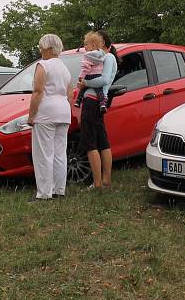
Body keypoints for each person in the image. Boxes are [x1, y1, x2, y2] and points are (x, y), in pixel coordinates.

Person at [27, 34, 73, 200]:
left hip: (46, 112)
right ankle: (59, 189)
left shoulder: (43, 65)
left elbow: (38, 91)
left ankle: (44, 193)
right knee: (60, 153)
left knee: (43, 154)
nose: (40, 51)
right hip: (63, 111)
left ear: (48, 49)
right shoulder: (65, 68)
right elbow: (70, 94)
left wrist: (31, 115)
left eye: (41, 47)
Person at [79, 30, 118, 189]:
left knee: (91, 142)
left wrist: (85, 84)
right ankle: (106, 180)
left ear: (103, 43)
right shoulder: (104, 58)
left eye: (96, 41)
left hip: (92, 101)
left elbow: (104, 79)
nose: (92, 44)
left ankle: (97, 183)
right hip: (98, 101)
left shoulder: (107, 57)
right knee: (102, 140)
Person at [73, 32, 108, 113]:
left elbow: (86, 68)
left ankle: (78, 100)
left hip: (89, 76)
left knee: (82, 88)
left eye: (86, 44)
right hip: (98, 75)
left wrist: (81, 76)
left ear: (93, 45)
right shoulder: (102, 54)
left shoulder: (87, 55)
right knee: (99, 90)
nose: (84, 47)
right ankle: (102, 104)